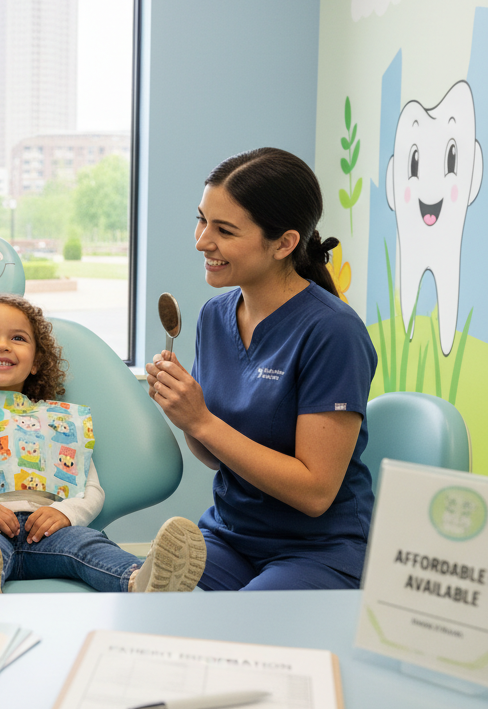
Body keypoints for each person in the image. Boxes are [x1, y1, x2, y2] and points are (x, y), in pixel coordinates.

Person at [146, 148, 378, 591]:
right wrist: (185, 415)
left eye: (224, 230)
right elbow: (215, 458)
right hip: (228, 536)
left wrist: (201, 419)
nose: (201, 241)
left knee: (239, 635)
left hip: (317, 548)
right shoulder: (215, 316)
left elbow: (314, 493)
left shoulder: (333, 333)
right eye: (202, 220)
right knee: (153, 611)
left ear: (284, 243)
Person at [0, 294, 206, 594]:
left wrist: (66, 514)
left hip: (48, 532)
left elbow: (91, 491)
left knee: (89, 544)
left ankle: (141, 580)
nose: (2, 345)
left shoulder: (59, 422)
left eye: (18, 338)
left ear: (36, 362)